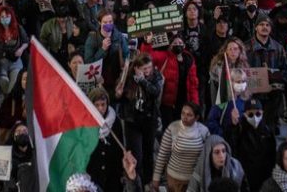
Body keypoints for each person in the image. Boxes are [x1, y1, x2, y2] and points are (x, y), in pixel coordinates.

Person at [118, 53, 164, 184]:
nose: (148, 71)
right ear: (136, 68)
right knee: (136, 153)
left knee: (148, 152)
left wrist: (142, 80)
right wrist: (119, 93)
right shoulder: (128, 76)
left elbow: (155, 92)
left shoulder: (156, 76)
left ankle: (147, 182)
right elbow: (120, 96)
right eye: (144, 69)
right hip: (132, 120)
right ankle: (135, 181)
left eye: (149, 67)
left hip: (149, 119)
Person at [152, 102, 210, 192]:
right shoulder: (173, 128)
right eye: (183, 113)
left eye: (189, 115)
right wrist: (156, 178)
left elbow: (207, 154)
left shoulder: (203, 131)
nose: (185, 117)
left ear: (196, 117)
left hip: (194, 179)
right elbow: (162, 155)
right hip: (174, 179)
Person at [225, 98, 276, 189]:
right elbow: (231, 146)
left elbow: (272, 155)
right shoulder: (239, 129)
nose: (255, 117)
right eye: (251, 114)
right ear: (245, 114)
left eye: (258, 114)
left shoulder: (267, 131)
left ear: (262, 113)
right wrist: (233, 126)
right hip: (245, 176)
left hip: (263, 176)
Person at [88, 87, 126, 192]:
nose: (100, 108)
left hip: (112, 173)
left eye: (103, 104)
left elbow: (119, 149)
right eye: (97, 105)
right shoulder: (86, 124)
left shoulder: (114, 121)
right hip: (93, 173)